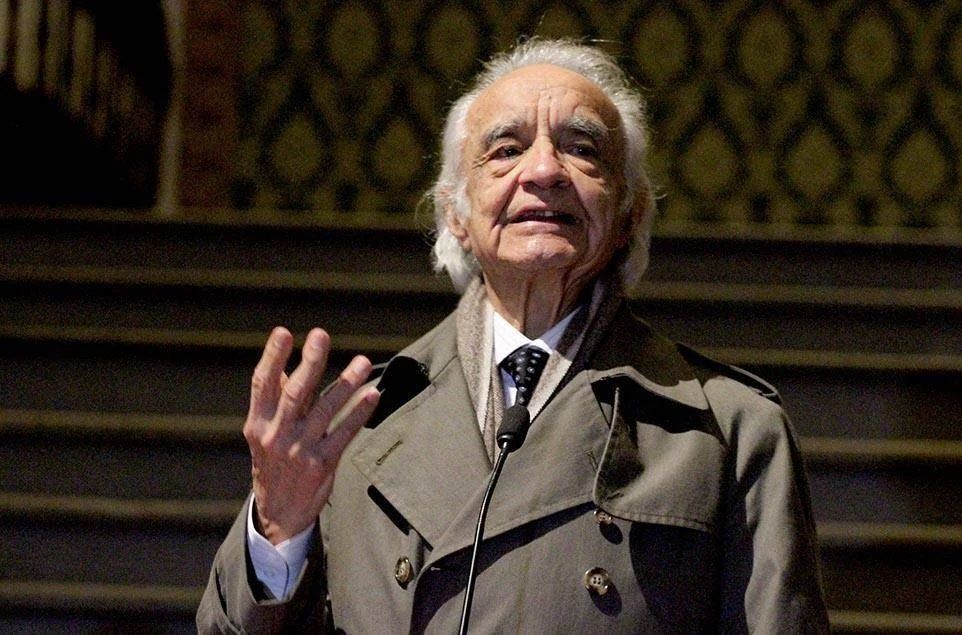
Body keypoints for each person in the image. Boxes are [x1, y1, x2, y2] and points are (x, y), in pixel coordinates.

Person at [198, 38, 829, 633]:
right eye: (505, 150)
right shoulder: (354, 429)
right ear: (456, 212)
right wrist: (277, 531)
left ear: (628, 214)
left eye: (583, 149)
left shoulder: (730, 431)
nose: (545, 169)